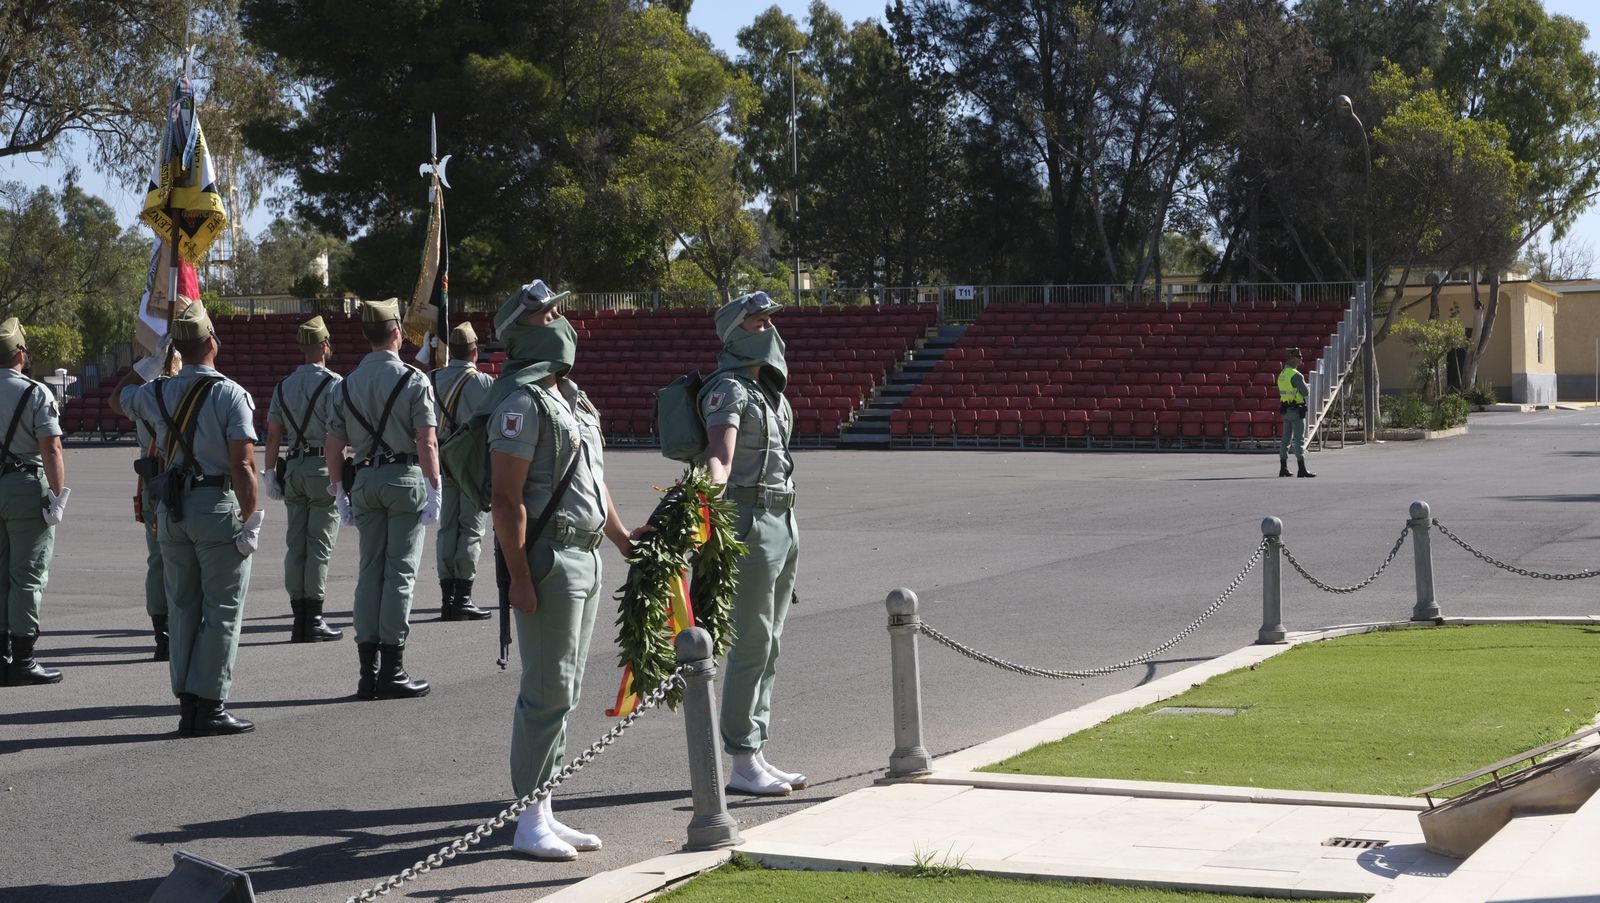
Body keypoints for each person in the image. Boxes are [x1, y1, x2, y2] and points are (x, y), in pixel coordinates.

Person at [487, 280, 648, 860]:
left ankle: (547, 809)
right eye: (545, 313)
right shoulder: (519, 401)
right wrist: (520, 577)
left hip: (585, 552)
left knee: (568, 689)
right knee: (546, 688)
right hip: (548, 557)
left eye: (556, 308)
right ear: (521, 331)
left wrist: (622, 537)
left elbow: (592, 481)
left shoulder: (571, 397)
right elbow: (506, 500)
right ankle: (527, 818)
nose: (560, 318)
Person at [110, 305, 263, 734]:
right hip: (215, 506)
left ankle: (188, 705)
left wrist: (148, 364)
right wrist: (251, 519)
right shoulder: (231, 394)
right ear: (212, 341)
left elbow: (115, 398)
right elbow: (244, 466)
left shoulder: (156, 391)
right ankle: (211, 705)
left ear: (177, 347)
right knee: (222, 609)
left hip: (171, 510)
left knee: (183, 607)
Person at [701, 291, 805, 796]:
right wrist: (700, 501)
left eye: (770, 321)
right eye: (759, 321)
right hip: (748, 519)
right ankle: (742, 758)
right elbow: (720, 456)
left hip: (781, 517)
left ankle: (756, 748)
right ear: (736, 331)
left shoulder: (769, 392)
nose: (770, 330)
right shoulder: (730, 390)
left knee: (772, 641)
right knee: (751, 640)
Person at [325, 298, 441, 700]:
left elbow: (334, 444)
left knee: (369, 572)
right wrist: (434, 487)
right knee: (400, 575)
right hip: (404, 478)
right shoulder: (414, 380)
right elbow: (426, 440)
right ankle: (392, 668)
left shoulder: (346, 383)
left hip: (365, 481)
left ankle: (366, 671)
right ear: (396, 332)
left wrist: (339, 491)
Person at [264, 316, 344, 643]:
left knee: (296, 545)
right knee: (319, 545)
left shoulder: (284, 386)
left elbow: (272, 436)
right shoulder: (336, 384)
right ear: (325, 346)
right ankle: (314, 617)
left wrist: (270, 473)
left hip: (294, 468)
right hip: (323, 468)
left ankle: (299, 617)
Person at [0, 318, 69, 687]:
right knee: (27, 575)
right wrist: (57, 496)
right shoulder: (36, 393)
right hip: (25, 485)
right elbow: (51, 448)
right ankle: (23, 660)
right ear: (21, 354)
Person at [429, 322, 493, 621]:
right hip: (470, 463)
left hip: (441, 459)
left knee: (447, 527)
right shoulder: (483, 383)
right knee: (470, 528)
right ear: (474, 351)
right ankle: (462, 597)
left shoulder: (431, 379)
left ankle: (445, 596)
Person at [1278, 348, 1316, 478]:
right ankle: (1302, 469)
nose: (1301, 360)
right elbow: (1305, 392)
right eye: (1299, 357)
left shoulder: (1282, 374)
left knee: (1285, 439)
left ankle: (1283, 468)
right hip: (1296, 410)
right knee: (1299, 440)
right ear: (1293, 358)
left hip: (1286, 410)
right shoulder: (1296, 375)